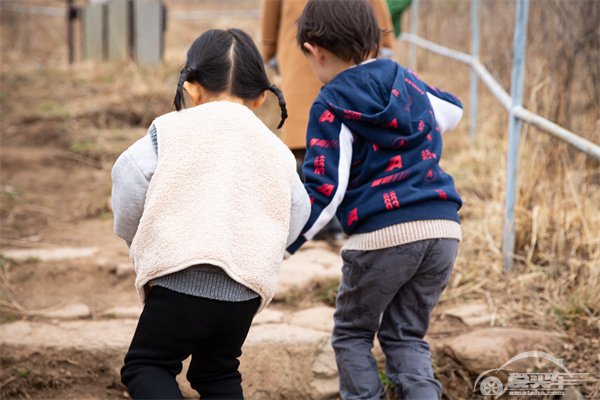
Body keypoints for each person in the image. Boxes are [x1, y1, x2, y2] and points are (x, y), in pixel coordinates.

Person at [111, 28, 310, 399]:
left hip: (178, 280)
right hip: (243, 290)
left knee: (148, 365)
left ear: (192, 86)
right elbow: (298, 210)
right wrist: (261, 248)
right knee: (217, 373)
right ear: (261, 98)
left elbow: (129, 179)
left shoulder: (167, 132)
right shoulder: (278, 150)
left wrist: (137, 235)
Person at [287, 1, 464, 399]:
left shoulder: (331, 103)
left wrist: (287, 242)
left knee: (352, 334)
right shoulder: (406, 80)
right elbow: (452, 111)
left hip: (382, 237)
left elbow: (326, 193)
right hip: (442, 229)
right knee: (405, 334)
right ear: (372, 40)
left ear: (316, 51)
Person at [260, 0, 395, 241]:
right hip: (349, 42)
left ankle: (314, 214)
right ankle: (337, 214)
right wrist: (384, 43)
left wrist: (269, 47)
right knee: (352, 127)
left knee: (304, 129)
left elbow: (272, 8)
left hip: (302, 42)